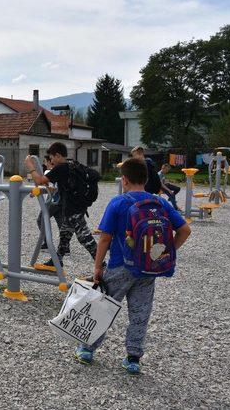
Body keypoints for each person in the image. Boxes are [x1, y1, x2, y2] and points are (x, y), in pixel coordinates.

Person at [74, 157, 190, 374]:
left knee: (104, 307)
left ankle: (87, 350)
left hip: (120, 267)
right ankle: (133, 358)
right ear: (146, 179)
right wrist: (165, 253)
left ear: (124, 180)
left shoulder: (118, 203)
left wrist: (98, 267)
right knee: (140, 313)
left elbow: (105, 239)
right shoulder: (161, 203)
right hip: (148, 268)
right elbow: (185, 230)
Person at [24, 142, 97, 268]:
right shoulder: (71, 165)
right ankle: (56, 260)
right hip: (74, 207)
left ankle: (102, 265)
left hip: (73, 209)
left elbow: (39, 180)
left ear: (57, 155)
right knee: (65, 234)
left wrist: (30, 166)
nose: (51, 161)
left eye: (51, 158)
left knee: (85, 238)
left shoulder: (61, 168)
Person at [35, 155, 66, 252]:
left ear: (50, 161)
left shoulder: (49, 172)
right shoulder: (60, 171)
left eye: (45, 161)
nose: (44, 163)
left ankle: (47, 243)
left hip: (52, 201)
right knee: (61, 224)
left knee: (41, 220)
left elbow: (51, 188)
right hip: (60, 200)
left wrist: (40, 187)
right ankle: (65, 247)